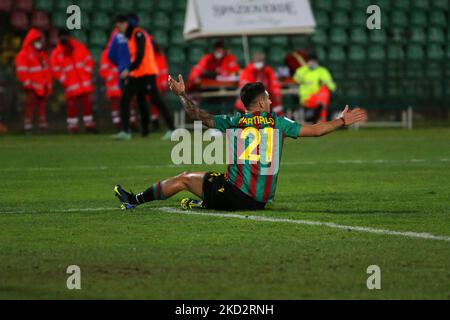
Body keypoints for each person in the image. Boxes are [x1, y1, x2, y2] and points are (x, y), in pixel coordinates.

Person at [113, 75, 367, 211]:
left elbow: (196, 115)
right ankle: (205, 203)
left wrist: (182, 95)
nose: (269, 101)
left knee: (184, 178)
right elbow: (316, 130)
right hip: (260, 200)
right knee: (216, 179)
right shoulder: (279, 122)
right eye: (267, 98)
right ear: (258, 103)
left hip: (237, 195)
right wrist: (341, 121)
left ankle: (134, 199)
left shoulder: (233, 121)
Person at [113, 14, 175, 140]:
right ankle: (132, 132)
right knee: (134, 100)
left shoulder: (138, 34)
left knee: (156, 101)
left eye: (118, 26)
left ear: (124, 24)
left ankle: (173, 129)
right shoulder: (131, 37)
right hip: (137, 74)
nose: (117, 29)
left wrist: (128, 70)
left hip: (147, 74)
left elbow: (140, 56)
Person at [50, 30, 98, 134]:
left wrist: (86, 75)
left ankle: (89, 125)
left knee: (87, 105)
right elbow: (55, 70)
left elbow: (89, 61)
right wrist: (65, 81)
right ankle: (73, 127)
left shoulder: (80, 48)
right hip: (71, 85)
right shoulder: (56, 53)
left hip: (83, 83)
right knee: (71, 107)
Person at [15, 28, 52, 132]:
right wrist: (27, 82)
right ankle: (28, 124)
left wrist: (48, 84)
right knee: (30, 104)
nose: (38, 43)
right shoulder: (24, 54)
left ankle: (42, 124)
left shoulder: (42, 55)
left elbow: (47, 70)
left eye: (39, 40)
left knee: (42, 105)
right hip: (31, 85)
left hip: (41, 84)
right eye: (36, 40)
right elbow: (21, 70)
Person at [100, 28, 137, 131]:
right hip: (114, 86)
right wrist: (115, 75)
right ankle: (119, 127)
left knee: (130, 105)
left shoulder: (129, 50)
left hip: (125, 84)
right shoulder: (106, 53)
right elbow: (103, 71)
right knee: (116, 108)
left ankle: (132, 125)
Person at [293, 53, 336, 123]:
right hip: (306, 98)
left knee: (324, 91)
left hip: (319, 98)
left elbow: (332, 87)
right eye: (310, 61)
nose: (312, 63)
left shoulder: (322, 71)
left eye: (314, 61)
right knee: (322, 100)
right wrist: (305, 72)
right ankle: (321, 120)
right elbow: (296, 79)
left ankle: (322, 120)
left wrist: (324, 83)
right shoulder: (302, 70)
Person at [236, 52, 283, 116]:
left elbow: (274, 84)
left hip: (264, 99)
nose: (258, 63)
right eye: (257, 61)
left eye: (260, 61)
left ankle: (278, 122)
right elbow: (246, 88)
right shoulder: (247, 71)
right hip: (249, 100)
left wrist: (276, 94)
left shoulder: (268, 71)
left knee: (276, 103)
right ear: (253, 61)